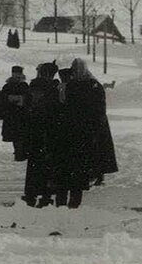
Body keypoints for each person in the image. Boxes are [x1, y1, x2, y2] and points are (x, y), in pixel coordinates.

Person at [61, 58, 118, 206]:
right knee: (92, 153)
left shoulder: (73, 86)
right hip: (90, 126)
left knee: (81, 158)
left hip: (78, 127)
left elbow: (67, 106)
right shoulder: (93, 85)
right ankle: (92, 177)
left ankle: (88, 179)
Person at [22, 62, 62, 207]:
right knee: (48, 166)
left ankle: (30, 195)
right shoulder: (54, 89)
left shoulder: (32, 87)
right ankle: (46, 195)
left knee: (33, 165)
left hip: (34, 131)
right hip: (50, 132)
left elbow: (26, 109)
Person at [0, 65, 30, 161]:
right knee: (18, 135)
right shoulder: (13, 86)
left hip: (16, 115)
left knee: (18, 136)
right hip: (16, 115)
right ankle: (19, 153)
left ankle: (19, 153)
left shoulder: (10, 85)